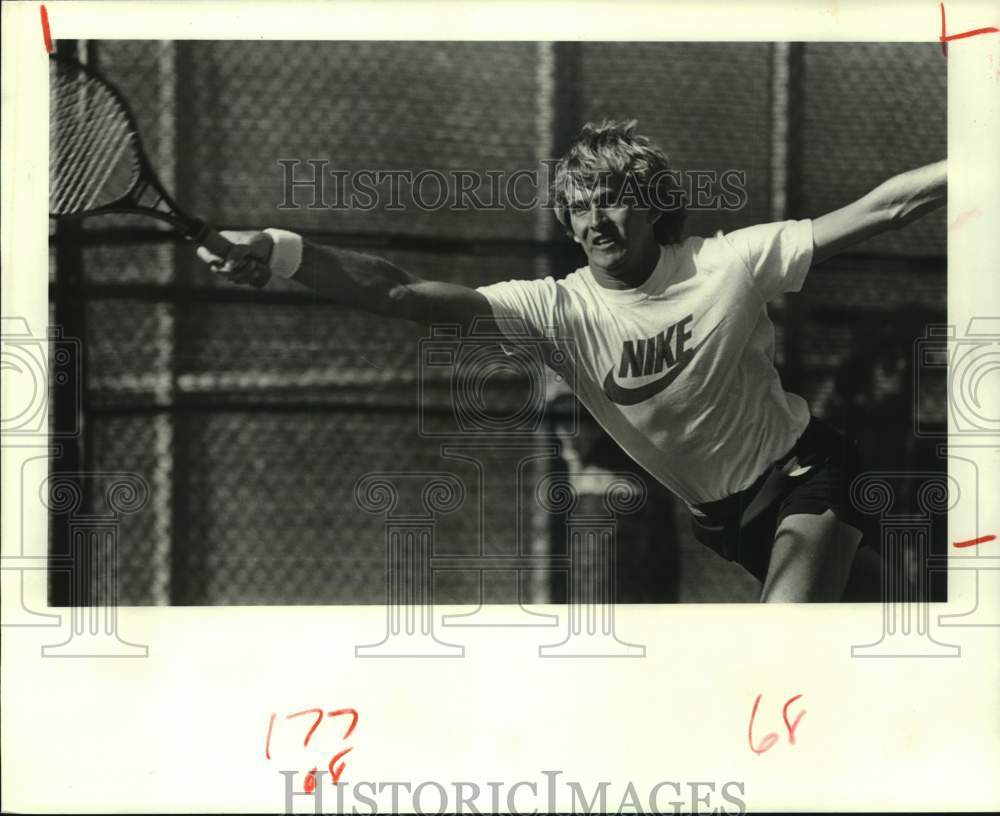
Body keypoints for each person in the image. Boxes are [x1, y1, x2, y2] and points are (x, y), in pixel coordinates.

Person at [198, 120, 946, 602]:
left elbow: (882, 210)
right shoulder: (555, 309)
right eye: (580, 206)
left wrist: (976, 160)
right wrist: (282, 249)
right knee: (897, 621)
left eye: (614, 199)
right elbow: (400, 294)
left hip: (807, 476)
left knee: (780, 650)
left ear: (654, 205)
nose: (596, 219)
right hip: (725, 520)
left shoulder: (730, 262)